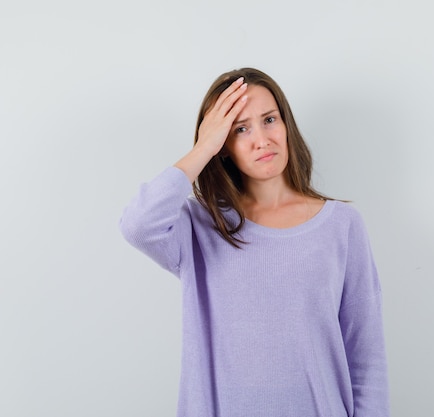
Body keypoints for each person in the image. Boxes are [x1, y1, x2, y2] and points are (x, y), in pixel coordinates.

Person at [119, 67, 389, 417]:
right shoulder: (201, 225)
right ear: (223, 146)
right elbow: (138, 226)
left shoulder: (341, 225)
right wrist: (203, 149)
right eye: (240, 129)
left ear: (286, 123)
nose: (261, 139)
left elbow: (365, 354)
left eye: (269, 120)